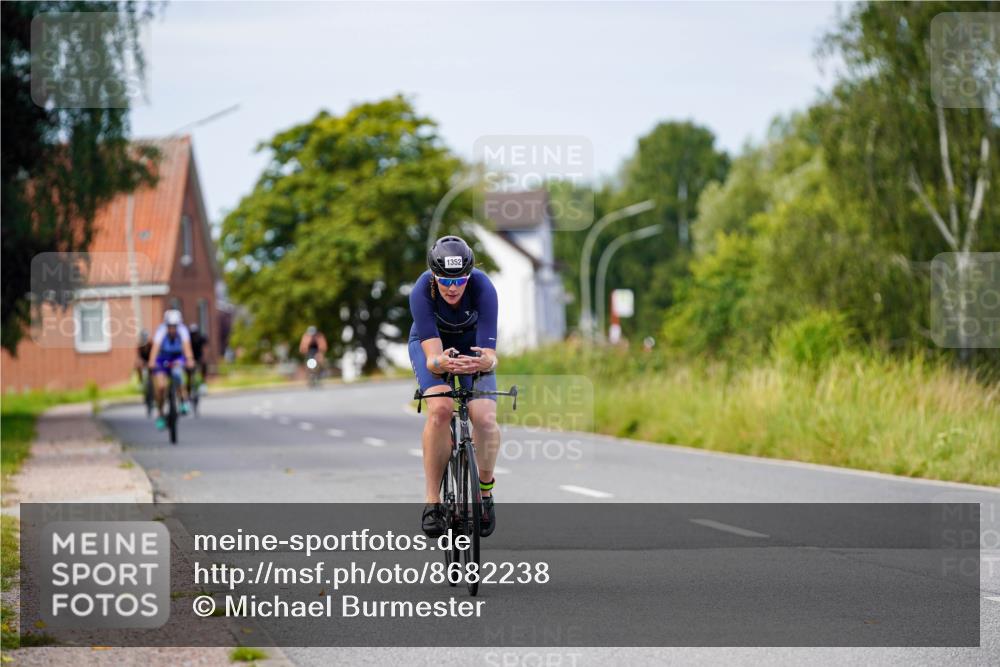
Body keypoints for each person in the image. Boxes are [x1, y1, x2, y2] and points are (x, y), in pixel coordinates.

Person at [409, 236, 500, 539]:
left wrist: (483, 362)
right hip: (434, 348)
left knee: (485, 417)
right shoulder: (421, 291)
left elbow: (490, 354)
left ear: (469, 275)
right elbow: (433, 359)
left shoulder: (483, 287)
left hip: (470, 347)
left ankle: (484, 494)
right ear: (433, 276)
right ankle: (432, 501)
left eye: (460, 279)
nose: (452, 287)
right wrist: (440, 364)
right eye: (445, 280)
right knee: (440, 409)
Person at [147, 309, 195, 430]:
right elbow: (155, 348)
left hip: (177, 357)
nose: (172, 329)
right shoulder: (161, 331)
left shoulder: (183, 330)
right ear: (166, 325)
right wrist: (152, 361)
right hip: (162, 358)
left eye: (175, 326)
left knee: (178, 375)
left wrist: (189, 359)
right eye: (170, 326)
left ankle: (183, 400)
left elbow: (187, 347)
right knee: (161, 387)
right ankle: (160, 413)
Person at [187, 323, 208, 396]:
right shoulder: (188, 340)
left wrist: (204, 357)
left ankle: (203, 383)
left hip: (199, 357)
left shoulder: (200, 338)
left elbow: (205, 347)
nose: (194, 335)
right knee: (189, 372)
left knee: (204, 365)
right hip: (191, 357)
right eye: (192, 334)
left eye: (195, 333)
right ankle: (188, 388)